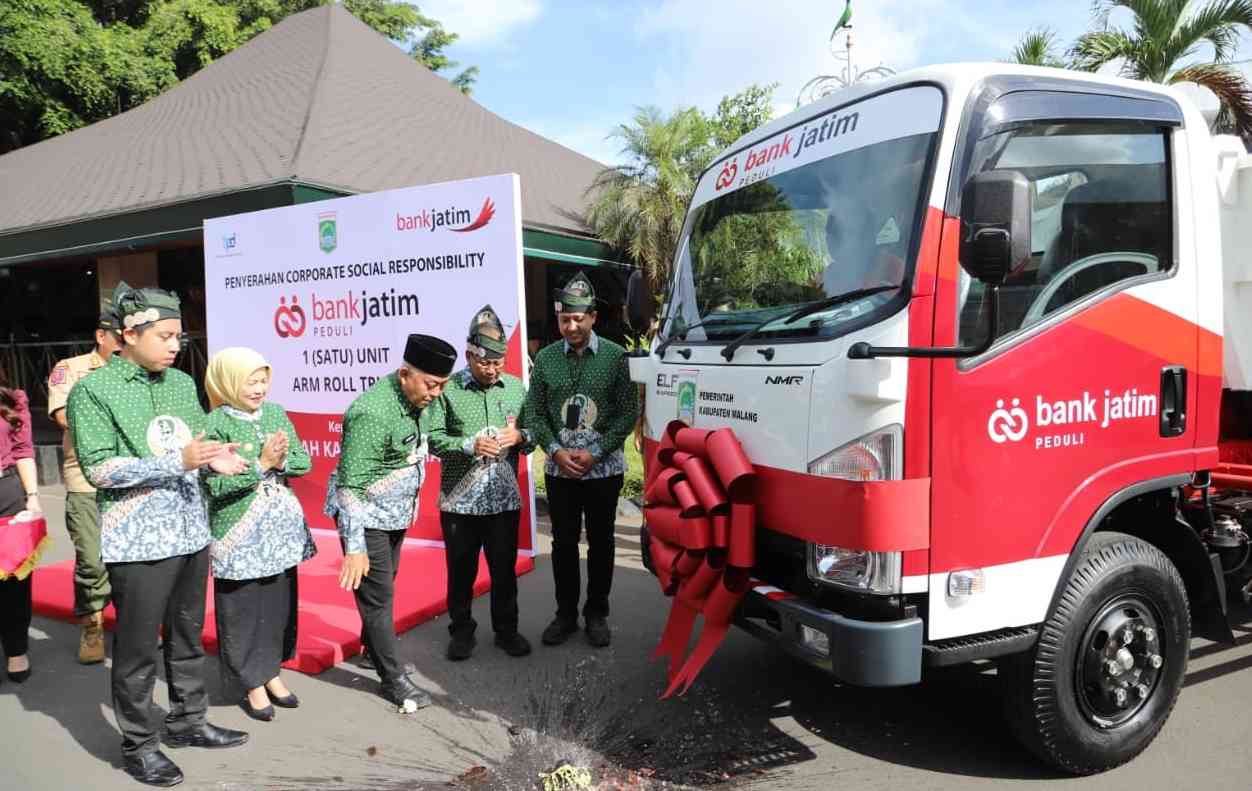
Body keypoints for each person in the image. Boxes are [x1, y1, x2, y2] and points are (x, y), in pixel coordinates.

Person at [68, 283, 250, 787]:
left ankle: (188, 722)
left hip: (192, 531)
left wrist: (220, 459)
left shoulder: (179, 384)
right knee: (138, 648)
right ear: (129, 334)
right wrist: (177, 461)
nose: (176, 345)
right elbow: (100, 470)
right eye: (166, 335)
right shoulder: (93, 390)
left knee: (188, 637)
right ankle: (140, 744)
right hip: (139, 539)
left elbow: (198, 447)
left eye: (179, 336)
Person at [327, 333, 455, 710]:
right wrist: (355, 548)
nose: (436, 393)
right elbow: (350, 487)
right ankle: (393, 680)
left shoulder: (423, 400)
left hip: (396, 513)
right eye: (431, 385)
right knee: (378, 598)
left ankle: (371, 650)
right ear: (404, 374)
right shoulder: (372, 412)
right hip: (365, 517)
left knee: (383, 588)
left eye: (442, 385)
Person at [522, 271, 639, 648]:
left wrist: (596, 452)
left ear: (593, 317)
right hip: (560, 471)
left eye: (578, 319)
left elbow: (627, 411)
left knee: (602, 543)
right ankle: (566, 614)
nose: (571, 326)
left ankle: (597, 614)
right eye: (564, 319)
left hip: (603, 469)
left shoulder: (616, 358)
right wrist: (555, 450)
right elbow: (535, 414)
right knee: (563, 543)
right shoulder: (545, 359)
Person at [203, 348, 315, 722]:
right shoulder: (214, 423)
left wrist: (281, 461)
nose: (259, 387)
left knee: (276, 604)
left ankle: (272, 673)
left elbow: (302, 460)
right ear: (227, 382)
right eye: (249, 380)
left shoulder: (276, 413)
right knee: (243, 609)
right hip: (238, 533)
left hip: (279, 532)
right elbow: (214, 486)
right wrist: (262, 464)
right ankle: (250, 681)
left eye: (262, 378)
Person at [425, 306, 535, 661]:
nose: (492, 370)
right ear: (470, 354)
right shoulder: (448, 389)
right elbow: (432, 438)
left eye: (498, 363)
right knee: (461, 571)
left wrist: (519, 436)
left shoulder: (517, 388)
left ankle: (507, 631)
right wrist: (467, 444)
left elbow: (534, 433)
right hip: (459, 502)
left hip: (503, 501)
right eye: (485, 363)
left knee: (504, 570)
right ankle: (461, 631)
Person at [46, 306, 122, 665]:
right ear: (101, 336)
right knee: (92, 559)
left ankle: (133, 624)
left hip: (129, 476)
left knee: (131, 558)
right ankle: (91, 624)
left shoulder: (137, 372)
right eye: (120, 338)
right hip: (86, 477)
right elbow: (62, 416)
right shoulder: (70, 369)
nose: (125, 345)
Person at [0, 362, 41, 684]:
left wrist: (33, 496)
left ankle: (16, 649)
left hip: (7, 494)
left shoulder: (12, 400)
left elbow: (23, 451)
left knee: (14, 580)